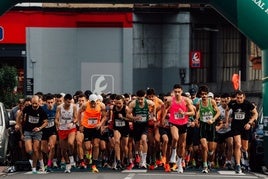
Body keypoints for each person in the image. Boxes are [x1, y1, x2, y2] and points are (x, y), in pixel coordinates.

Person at [225, 90, 258, 174]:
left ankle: (243, 153)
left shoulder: (248, 104)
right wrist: (227, 121)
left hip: (245, 127)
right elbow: (227, 110)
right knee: (237, 144)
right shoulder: (232, 103)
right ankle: (238, 165)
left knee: (244, 148)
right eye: (237, 98)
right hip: (236, 127)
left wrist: (249, 123)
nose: (239, 100)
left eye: (240, 98)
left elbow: (255, 114)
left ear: (244, 97)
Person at [164, 84, 195, 173]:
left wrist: (184, 113)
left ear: (181, 92)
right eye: (175, 92)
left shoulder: (186, 101)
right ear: (173, 92)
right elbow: (164, 109)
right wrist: (165, 116)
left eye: (179, 92)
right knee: (175, 138)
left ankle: (180, 163)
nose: (177, 93)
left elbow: (192, 112)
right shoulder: (170, 101)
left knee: (182, 145)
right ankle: (173, 154)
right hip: (173, 123)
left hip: (183, 123)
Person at [192, 85, 220, 173]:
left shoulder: (212, 102)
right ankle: (205, 166)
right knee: (204, 147)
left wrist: (213, 119)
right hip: (203, 126)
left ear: (207, 94)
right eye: (202, 94)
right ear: (200, 95)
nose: (204, 96)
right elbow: (197, 111)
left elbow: (218, 112)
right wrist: (196, 119)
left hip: (211, 126)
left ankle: (210, 160)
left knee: (211, 149)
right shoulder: (198, 103)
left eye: (205, 94)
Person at [17, 95, 48, 174]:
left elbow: (46, 122)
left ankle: (34, 167)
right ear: (31, 102)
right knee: (29, 150)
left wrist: (40, 128)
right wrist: (18, 124)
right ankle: (38, 160)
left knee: (35, 149)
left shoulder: (41, 111)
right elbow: (19, 116)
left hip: (37, 132)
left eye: (36, 104)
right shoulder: (27, 108)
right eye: (33, 103)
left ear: (39, 103)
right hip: (27, 131)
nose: (34, 105)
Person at [126, 89, 155, 169]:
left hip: (145, 125)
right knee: (137, 143)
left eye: (141, 99)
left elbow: (154, 106)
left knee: (144, 140)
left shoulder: (148, 102)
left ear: (144, 97)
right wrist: (134, 117)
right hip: (137, 125)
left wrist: (153, 115)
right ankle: (137, 156)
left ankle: (144, 161)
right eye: (138, 99)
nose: (140, 101)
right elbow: (128, 115)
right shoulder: (133, 103)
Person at [78, 94, 107, 173]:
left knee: (96, 145)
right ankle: (88, 156)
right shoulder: (85, 105)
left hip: (96, 127)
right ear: (89, 101)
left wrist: (100, 124)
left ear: (97, 101)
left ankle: (94, 164)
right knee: (87, 147)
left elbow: (105, 116)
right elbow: (79, 113)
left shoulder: (101, 105)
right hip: (87, 127)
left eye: (94, 102)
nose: (93, 104)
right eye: (91, 103)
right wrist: (80, 125)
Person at [55, 94, 78, 173]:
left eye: (70, 102)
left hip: (71, 128)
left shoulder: (74, 107)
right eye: (68, 102)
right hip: (62, 129)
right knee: (63, 149)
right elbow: (56, 119)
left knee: (70, 143)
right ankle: (67, 165)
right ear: (64, 101)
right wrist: (58, 123)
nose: (69, 104)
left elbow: (76, 118)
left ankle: (71, 156)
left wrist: (72, 123)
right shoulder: (59, 108)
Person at [41, 94, 58, 172]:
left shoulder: (57, 108)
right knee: (44, 149)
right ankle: (48, 160)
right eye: (48, 102)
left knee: (52, 146)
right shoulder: (42, 109)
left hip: (52, 129)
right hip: (44, 130)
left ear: (54, 102)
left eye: (51, 102)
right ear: (46, 102)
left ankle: (49, 164)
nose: (50, 104)